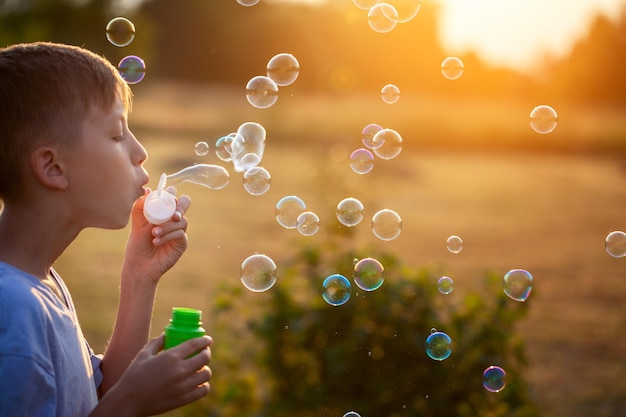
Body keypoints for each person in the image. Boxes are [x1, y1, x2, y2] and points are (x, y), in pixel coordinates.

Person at [0, 41, 212, 416]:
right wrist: (130, 405)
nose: (140, 151)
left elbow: (93, 397)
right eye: (117, 134)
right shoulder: (13, 311)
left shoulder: (39, 283)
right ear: (53, 167)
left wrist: (139, 275)